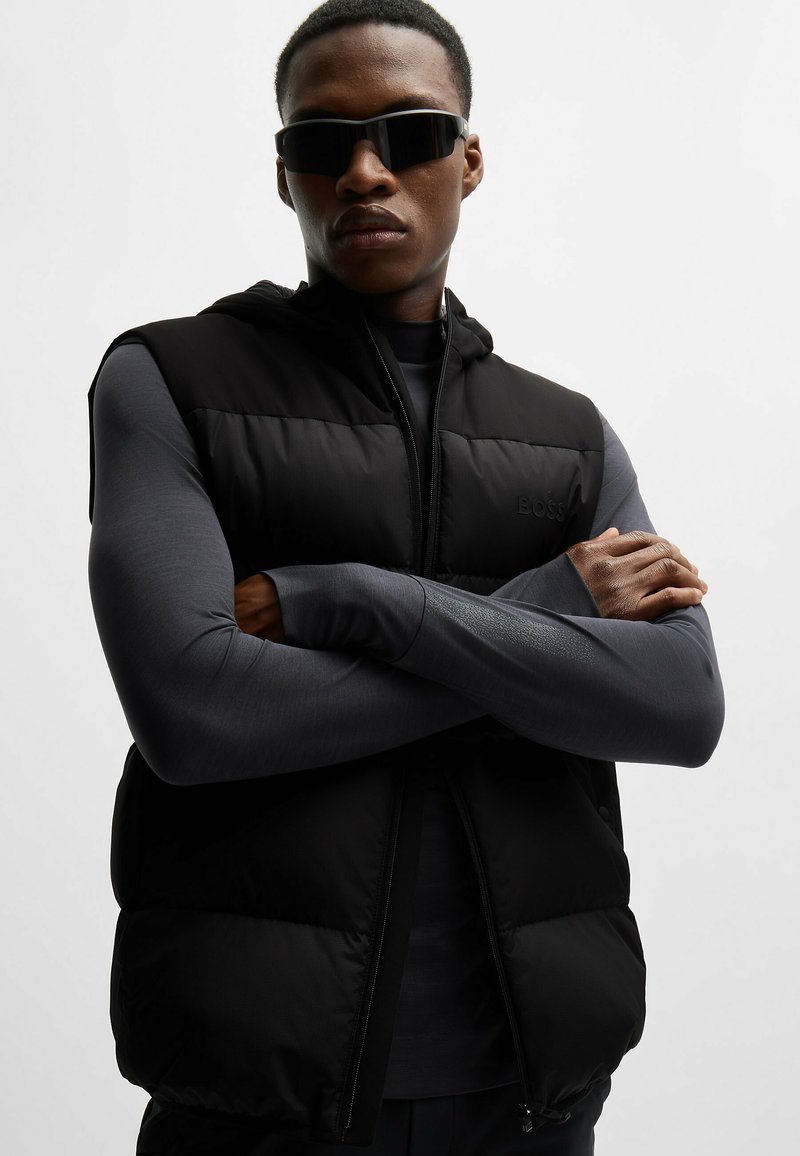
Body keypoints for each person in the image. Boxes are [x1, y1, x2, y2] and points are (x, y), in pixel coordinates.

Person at [87, 1, 724, 1153]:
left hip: (531, 1096)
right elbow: (194, 713)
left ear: (468, 160)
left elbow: (680, 708)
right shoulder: (170, 380)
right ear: (283, 174)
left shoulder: (565, 437)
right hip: (258, 1105)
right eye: (321, 142)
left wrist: (348, 599)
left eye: (411, 134)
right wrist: (542, 626)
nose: (365, 172)